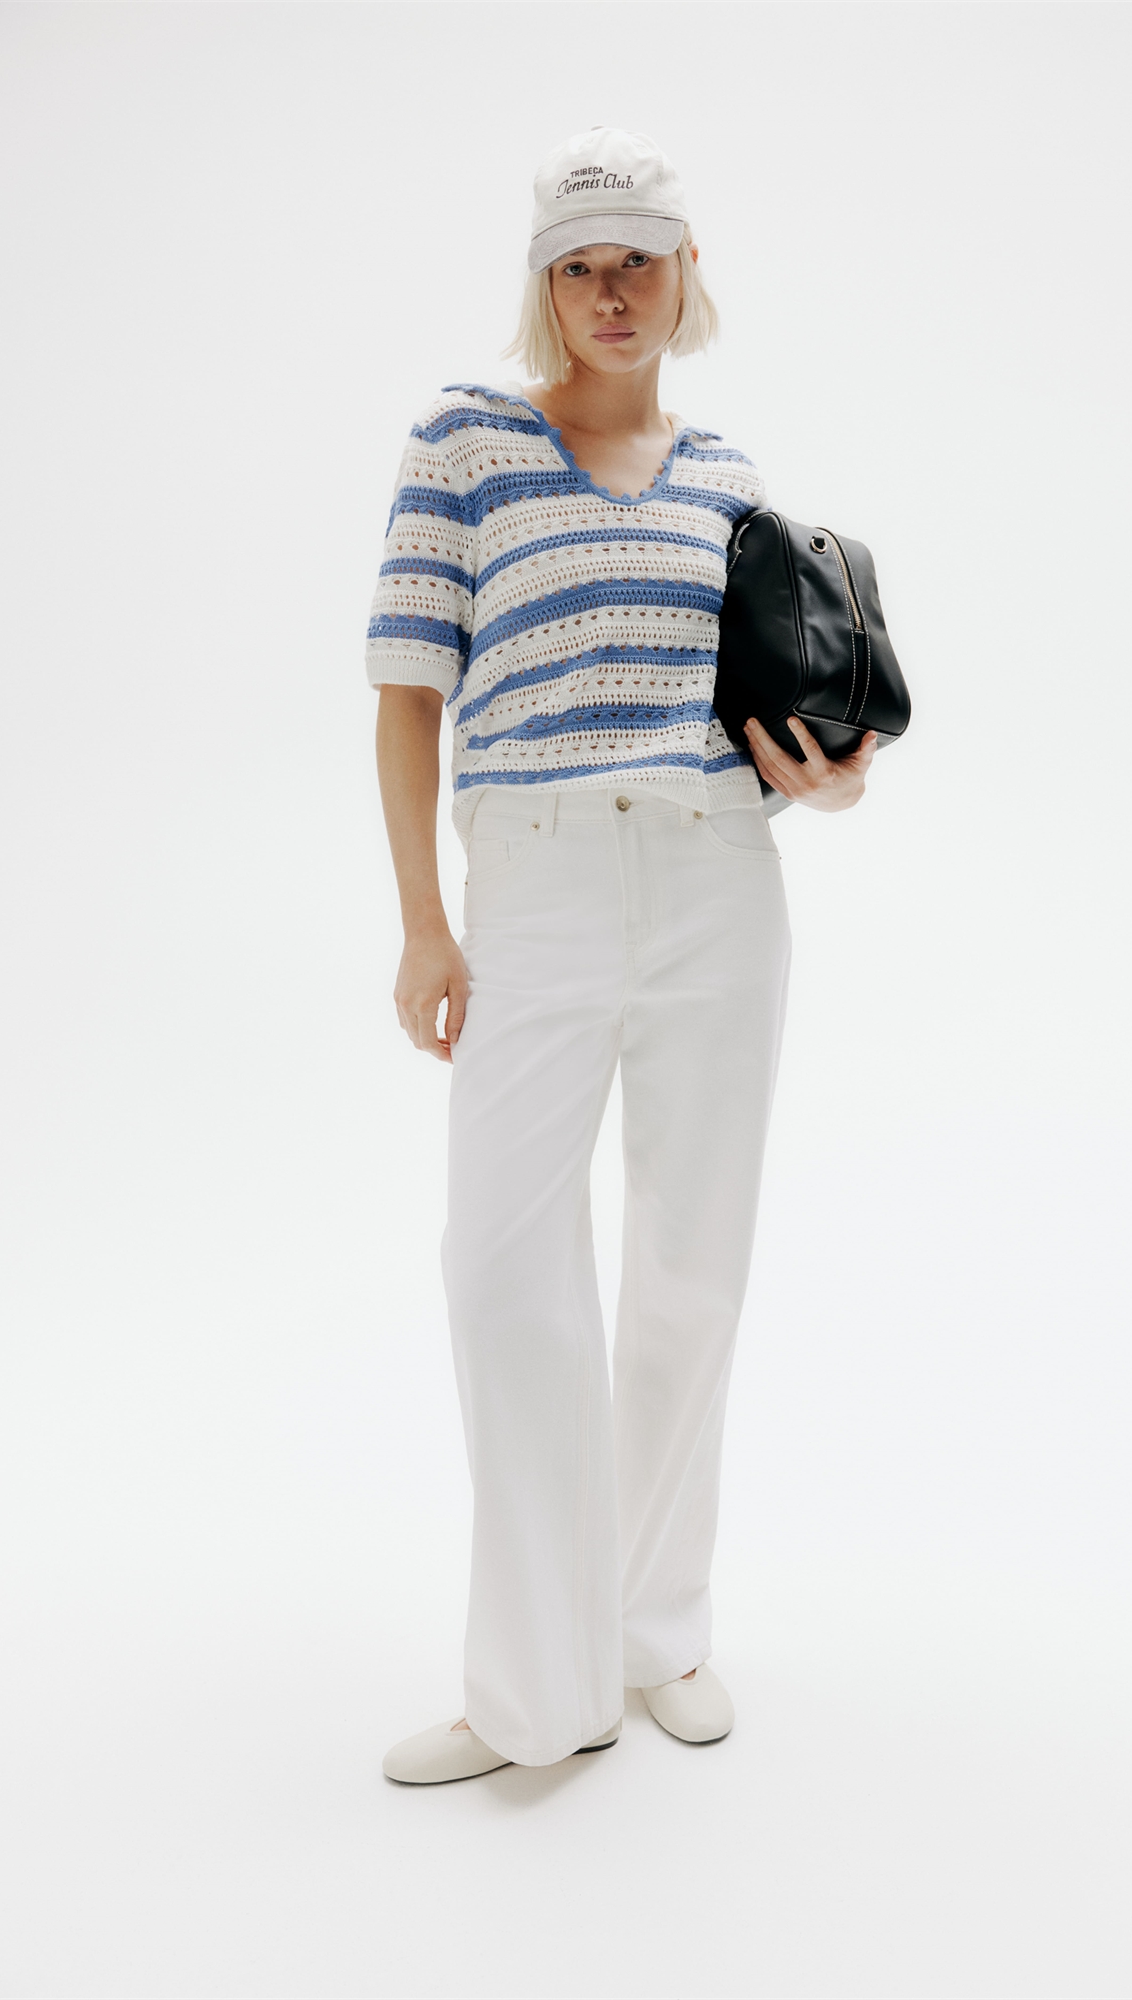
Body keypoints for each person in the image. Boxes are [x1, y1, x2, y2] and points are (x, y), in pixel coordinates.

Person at [369, 127, 878, 1785]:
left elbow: (759, 719)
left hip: (716, 873)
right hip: (533, 882)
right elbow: (407, 694)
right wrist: (425, 923)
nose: (608, 292)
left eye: (635, 261)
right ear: (543, 284)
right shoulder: (462, 442)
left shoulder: (726, 476)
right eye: (578, 266)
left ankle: (658, 1632)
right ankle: (536, 1689)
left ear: (684, 273)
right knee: (498, 1269)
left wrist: (827, 775)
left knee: (687, 1268)